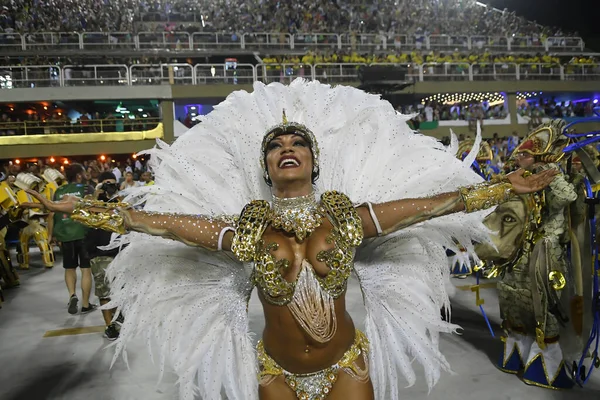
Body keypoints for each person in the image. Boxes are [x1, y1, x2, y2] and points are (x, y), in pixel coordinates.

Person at [22, 80, 557, 400]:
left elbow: (433, 205)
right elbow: (159, 223)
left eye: (297, 140)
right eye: (275, 144)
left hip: (347, 366)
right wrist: (88, 208)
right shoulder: (248, 230)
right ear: (267, 165)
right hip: (275, 373)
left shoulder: (347, 218)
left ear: (313, 160)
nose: (286, 146)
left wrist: (503, 187)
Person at [476, 120, 578, 389]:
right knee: (513, 301)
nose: (518, 157)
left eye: (525, 154)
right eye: (519, 154)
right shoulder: (518, 175)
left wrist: (546, 170)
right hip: (520, 249)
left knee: (545, 307)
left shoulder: (551, 175)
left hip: (546, 250)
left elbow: (568, 197)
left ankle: (546, 367)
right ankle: (516, 356)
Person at [49, 163, 98, 315]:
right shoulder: (86, 189)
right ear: (78, 175)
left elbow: (51, 213)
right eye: (84, 173)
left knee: (69, 267)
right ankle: (85, 304)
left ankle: (72, 295)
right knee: (85, 269)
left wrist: (51, 235)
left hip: (65, 234)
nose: (86, 176)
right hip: (83, 233)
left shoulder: (59, 191)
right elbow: (93, 209)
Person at [88, 172, 123, 340]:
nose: (109, 186)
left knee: (120, 289)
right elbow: (86, 212)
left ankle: (118, 316)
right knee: (105, 293)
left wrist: (119, 195)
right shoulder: (94, 201)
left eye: (113, 183)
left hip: (121, 253)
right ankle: (110, 326)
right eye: (106, 184)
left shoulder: (120, 201)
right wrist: (97, 193)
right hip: (100, 253)